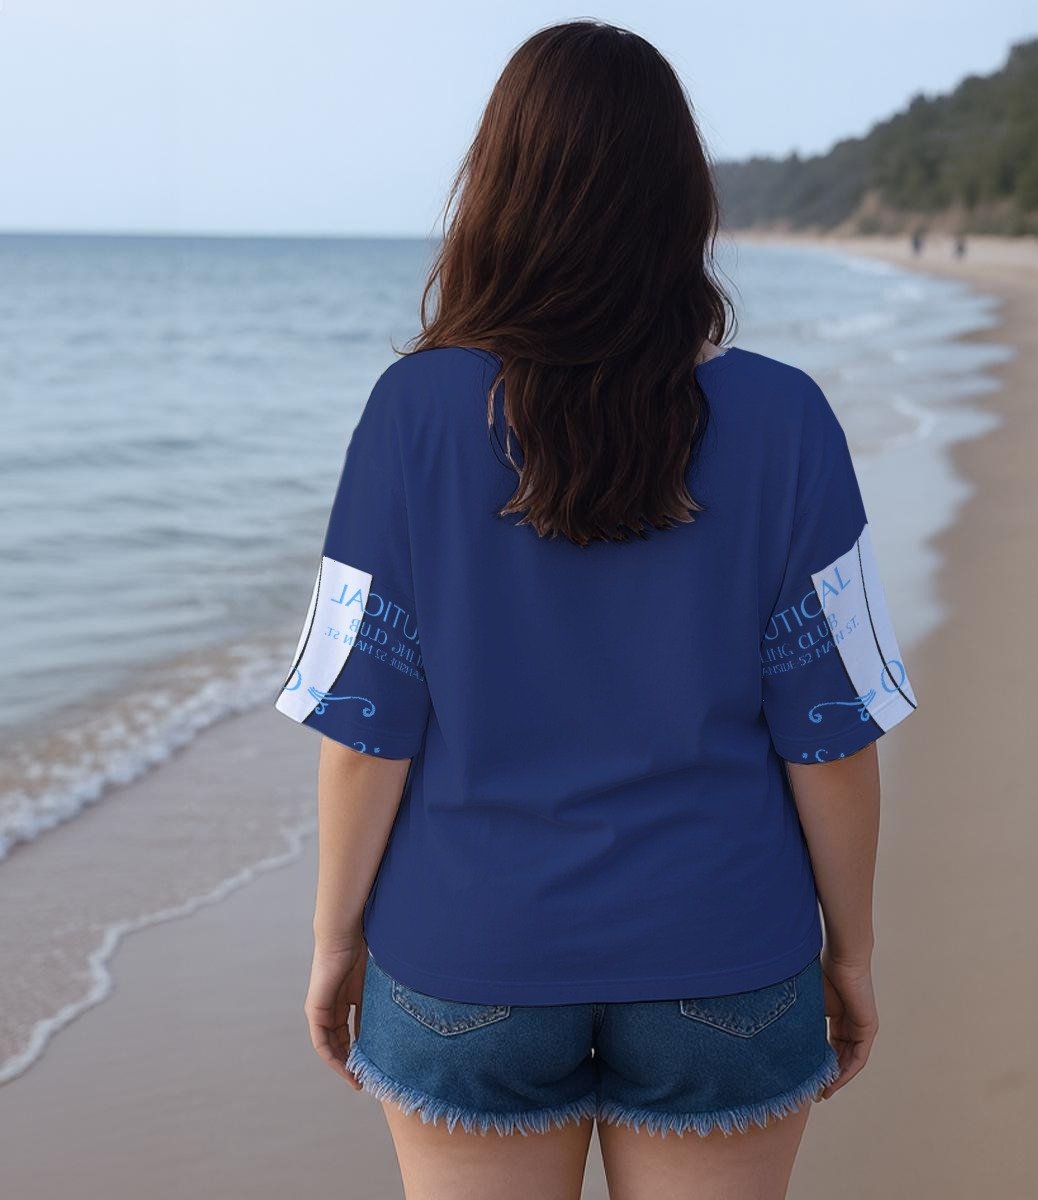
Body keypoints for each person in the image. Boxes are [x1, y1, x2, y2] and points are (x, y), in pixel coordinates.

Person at [274, 19, 918, 1200]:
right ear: (685, 203)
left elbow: (366, 730)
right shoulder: (788, 420)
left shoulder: (412, 413)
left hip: (468, 955)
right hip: (725, 952)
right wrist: (854, 952)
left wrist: (333, 942)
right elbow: (830, 735)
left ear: (495, 193)